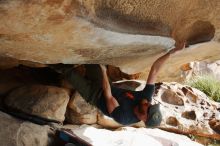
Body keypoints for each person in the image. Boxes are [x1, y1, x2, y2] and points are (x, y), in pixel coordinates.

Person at [52, 41, 185, 127]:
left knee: (69, 73)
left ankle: (50, 59)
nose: (148, 104)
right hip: (105, 85)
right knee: (91, 59)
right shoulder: (146, 98)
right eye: (151, 105)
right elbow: (155, 70)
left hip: (94, 96)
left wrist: (104, 72)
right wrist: (172, 52)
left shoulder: (124, 118)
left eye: (148, 109)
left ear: (144, 118)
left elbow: (108, 96)